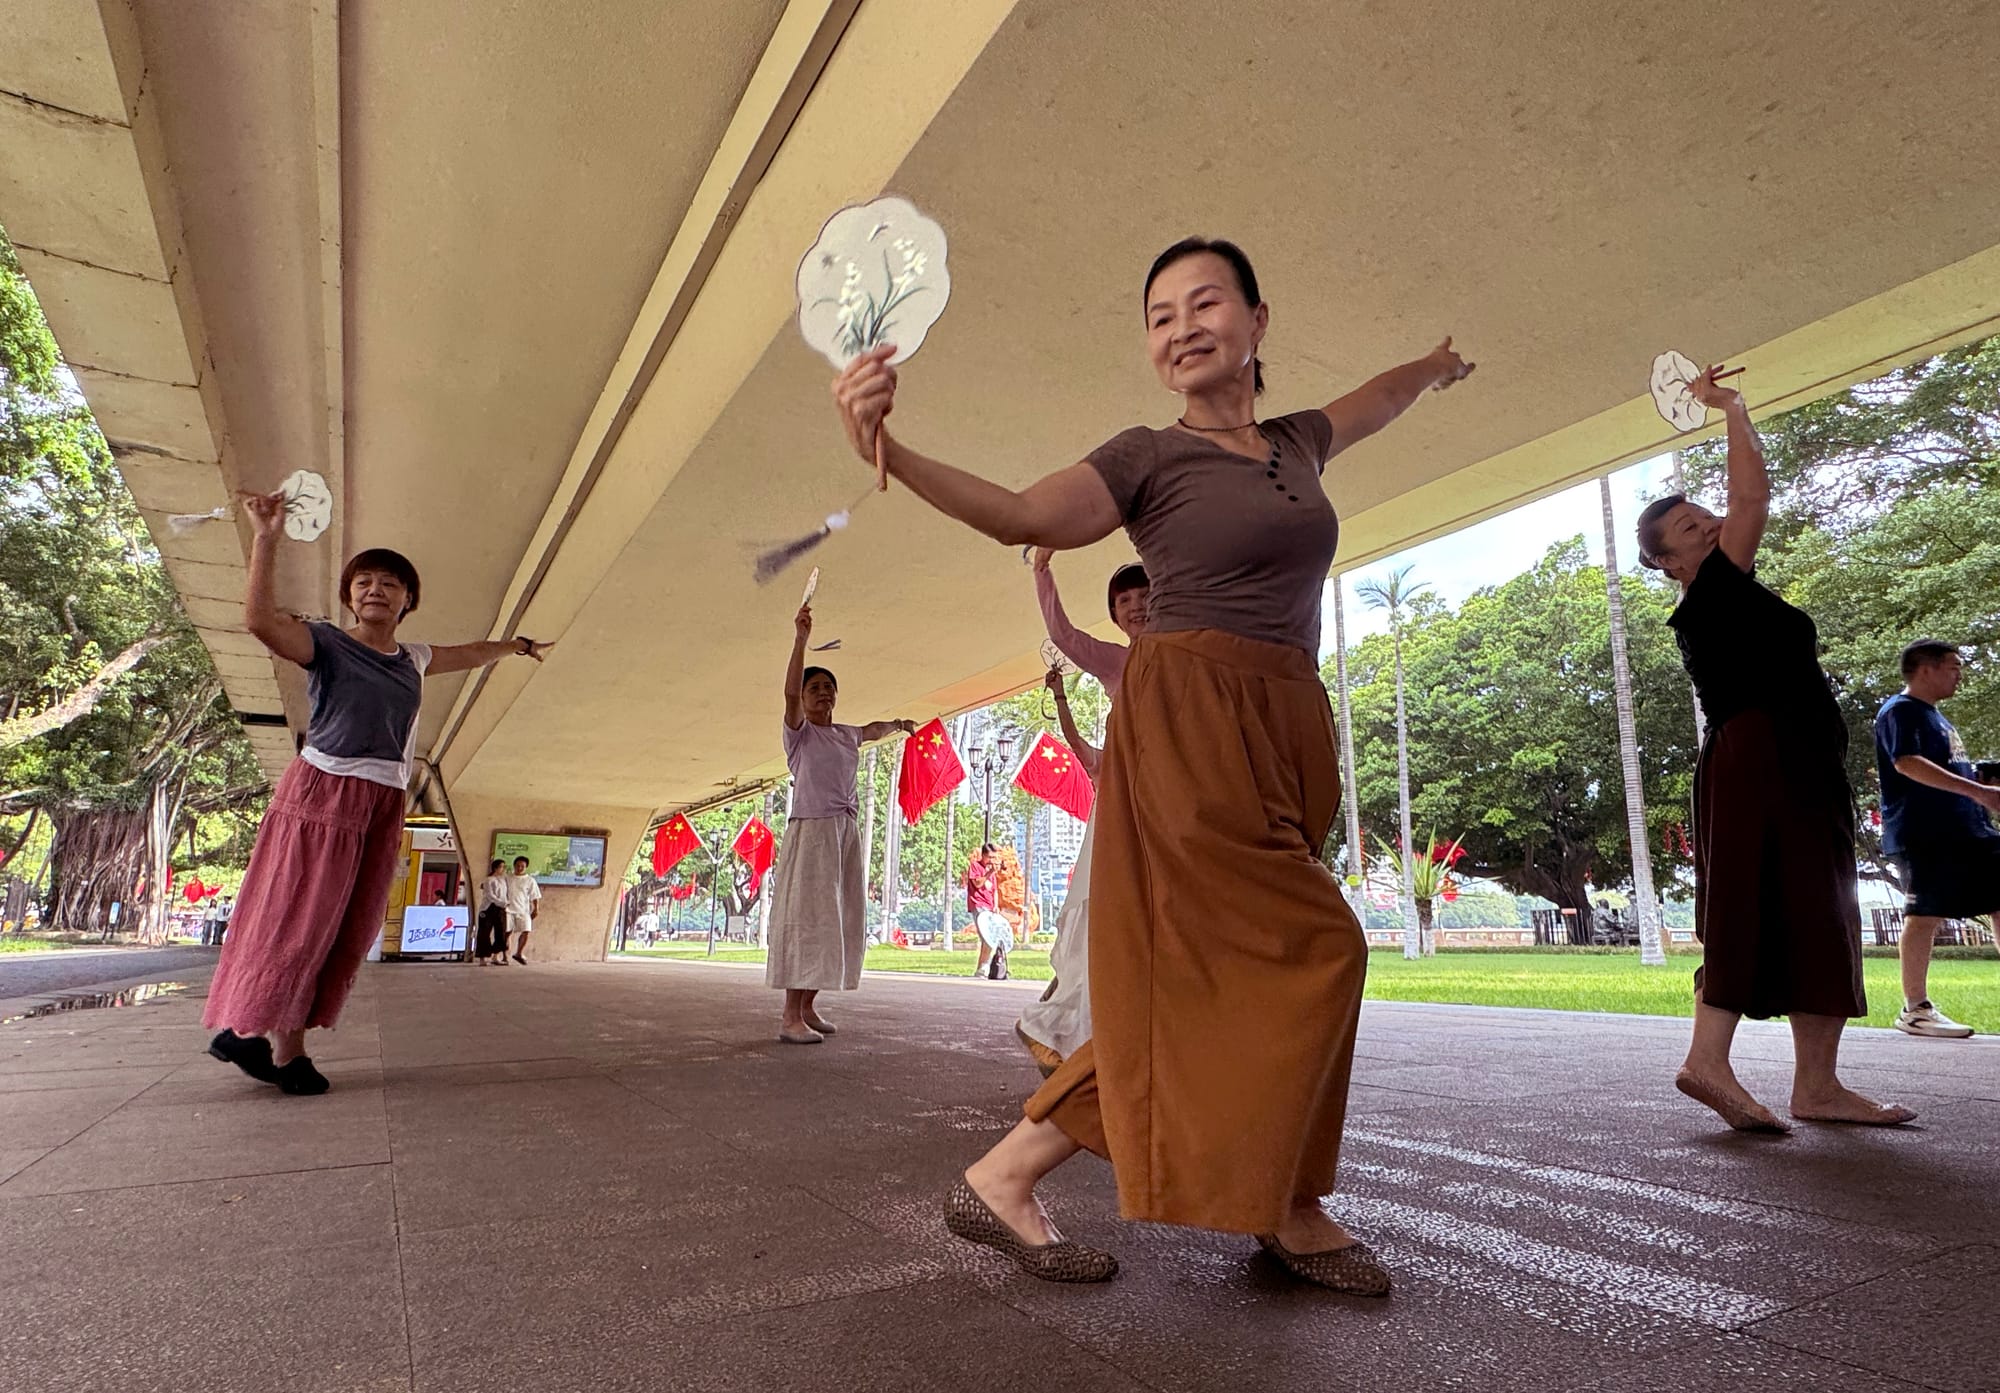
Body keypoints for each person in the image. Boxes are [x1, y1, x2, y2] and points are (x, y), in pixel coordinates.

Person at [831, 236, 1472, 1292]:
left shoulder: (1297, 441)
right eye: (1159, 314)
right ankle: (1275, 1201)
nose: (1180, 327)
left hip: (1283, 717)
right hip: (1190, 718)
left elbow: (1376, 396)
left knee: (1240, 970)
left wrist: (1435, 365)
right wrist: (888, 452)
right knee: (1317, 948)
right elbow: (1022, 514)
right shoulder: (1144, 457)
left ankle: (1049, 1178)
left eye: (1204, 303)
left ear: (1258, 321)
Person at [1635, 365, 1914, 1133]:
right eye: (1687, 528)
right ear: (1669, 563)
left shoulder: (1727, 591)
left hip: (1785, 756)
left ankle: (1816, 1084)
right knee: (1759, 900)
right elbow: (1753, 497)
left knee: (1814, 906)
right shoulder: (1716, 586)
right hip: (1764, 757)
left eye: (1702, 515)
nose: (1706, 524)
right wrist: (1731, 407)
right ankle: (1710, 1060)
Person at [205, 490, 550, 1095]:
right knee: (302, 917)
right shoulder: (326, 644)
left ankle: (285, 1047)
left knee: (344, 924)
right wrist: (267, 538)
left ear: (408, 600)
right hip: (324, 794)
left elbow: (470, 652)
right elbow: (259, 623)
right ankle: (252, 1028)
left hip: (382, 800)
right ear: (349, 596)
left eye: (390, 584)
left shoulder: (412, 658)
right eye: (364, 582)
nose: (375, 591)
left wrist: (516, 646)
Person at [1015, 555, 1150, 1076]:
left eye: (1144, 596)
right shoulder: (1120, 663)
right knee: (1113, 916)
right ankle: (1075, 1029)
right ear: (1115, 616)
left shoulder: (1189, 657)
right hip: (1127, 812)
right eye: (1125, 601)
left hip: (1171, 806)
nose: (1136, 607)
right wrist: (1042, 570)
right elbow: (1064, 634)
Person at [765, 603, 915, 1043]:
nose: (822, 692)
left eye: (829, 687)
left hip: (844, 834)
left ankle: (809, 1006)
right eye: (815, 687)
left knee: (837, 920)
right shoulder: (800, 734)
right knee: (808, 919)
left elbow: (872, 728)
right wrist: (800, 639)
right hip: (812, 831)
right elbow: (789, 695)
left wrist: (900, 724)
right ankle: (790, 1016)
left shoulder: (846, 734)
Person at [1874, 639, 2000, 1037]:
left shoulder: (1936, 719)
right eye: (1953, 666)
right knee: (1925, 913)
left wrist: (1980, 778)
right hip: (1925, 831)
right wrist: (1979, 793)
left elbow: (1950, 770)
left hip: (1969, 831)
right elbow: (1907, 763)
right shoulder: (1901, 711)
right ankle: (1916, 1008)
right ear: (1925, 669)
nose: (1959, 674)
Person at [965, 844, 1012, 979]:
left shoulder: (990, 872)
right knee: (987, 937)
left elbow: (994, 890)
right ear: (983, 855)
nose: (992, 860)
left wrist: (996, 905)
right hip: (978, 904)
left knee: (991, 938)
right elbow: (978, 884)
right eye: (990, 857)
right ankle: (983, 968)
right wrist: (989, 872)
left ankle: (983, 968)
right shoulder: (976, 867)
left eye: (994, 857)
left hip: (990, 907)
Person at [505, 856, 541, 963]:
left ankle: (519, 953)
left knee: (526, 930)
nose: (520, 868)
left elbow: (535, 896)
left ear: (526, 867)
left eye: (522, 866)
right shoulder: (507, 877)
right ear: (514, 866)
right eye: (518, 866)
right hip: (508, 910)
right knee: (507, 933)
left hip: (523, 910)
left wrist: (536, 909)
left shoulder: (530, 880)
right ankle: (506, 956)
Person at [476, 858, 510, 964]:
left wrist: (506, 903)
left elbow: (506, 894)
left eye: (504, 867)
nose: (503, 869)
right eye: (501, 867)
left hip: (500, 909)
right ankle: (482, 957)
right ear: (495, 868)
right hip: (488, 909)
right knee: (484, 933)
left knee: (501, 932)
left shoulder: (504, 880)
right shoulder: (489, 880)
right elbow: (490, 895)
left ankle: (495, 955)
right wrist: (502, 902)